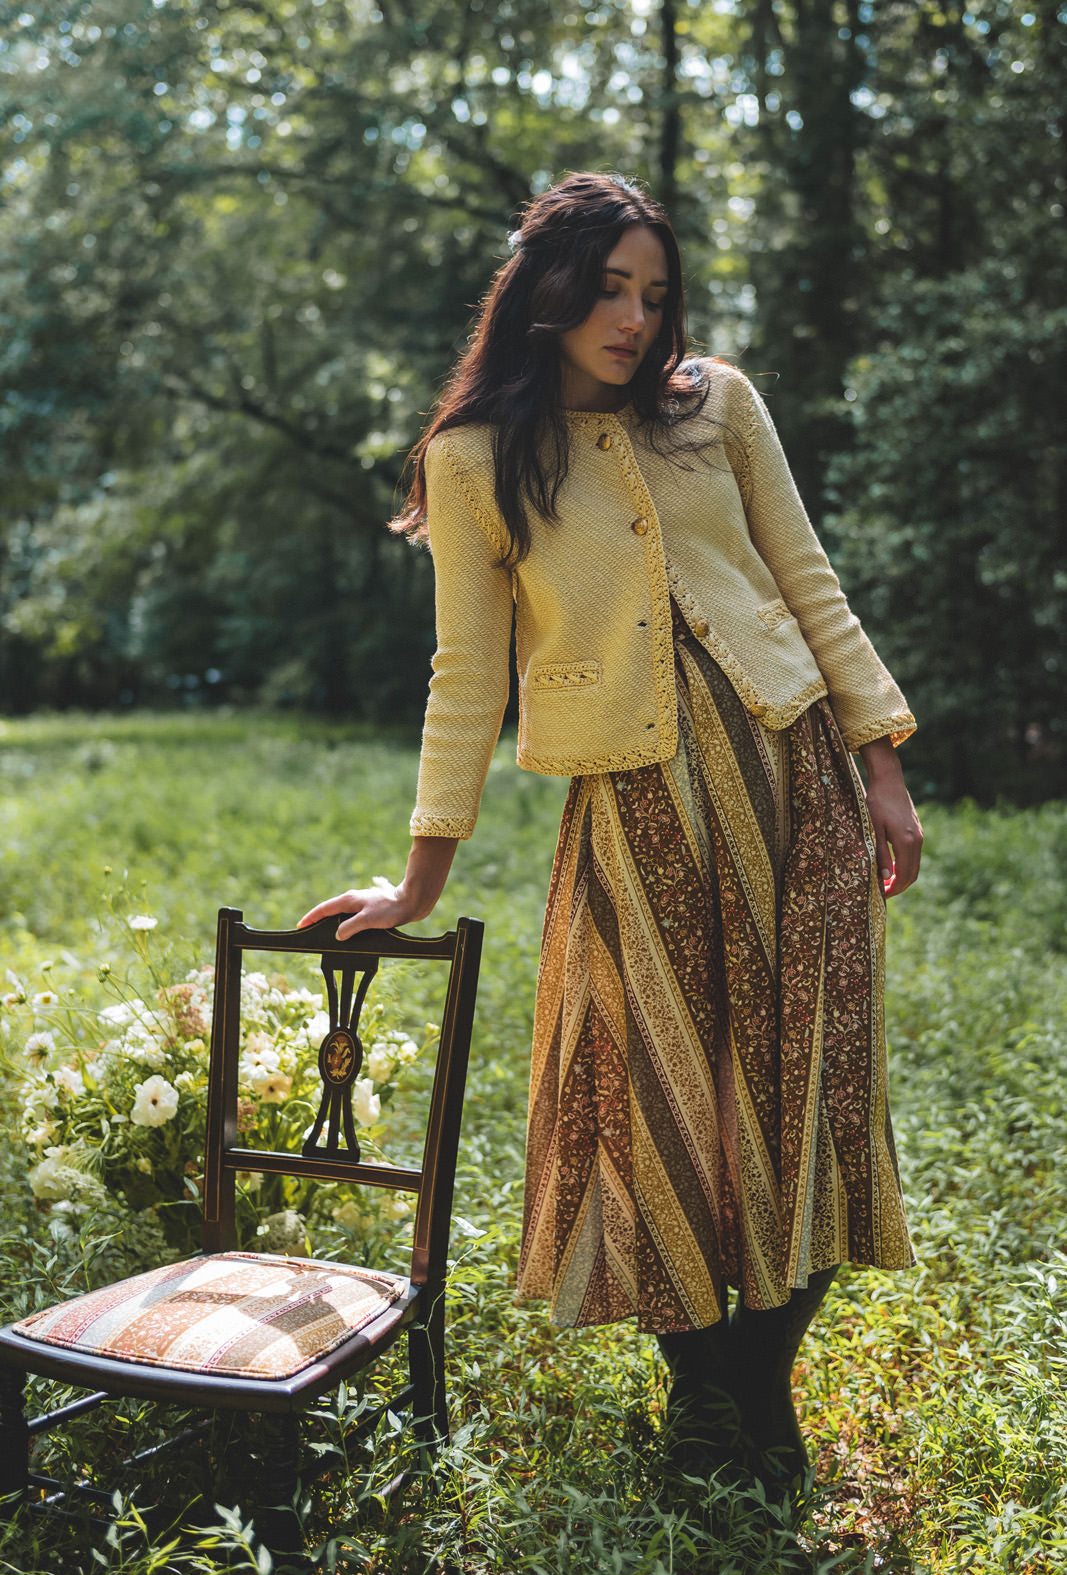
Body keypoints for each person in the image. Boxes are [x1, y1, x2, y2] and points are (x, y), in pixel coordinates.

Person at [299, 171, 922, 1494]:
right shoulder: (474, 461)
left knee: (801, 1085)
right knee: (655, 1109)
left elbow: (809, 581)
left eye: (655, 293)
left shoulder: (719, 405)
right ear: (549, 290)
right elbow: (467, 672)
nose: (636, 318)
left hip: (791, 781)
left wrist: (882, 764)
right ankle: (712, 1407)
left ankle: (751, 1410)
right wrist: (420, 875)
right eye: (611, 289)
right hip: (634, 813)